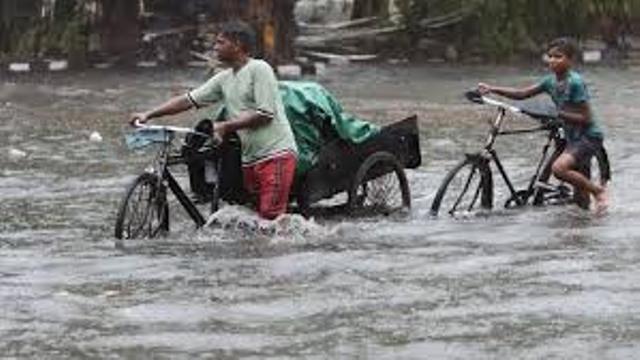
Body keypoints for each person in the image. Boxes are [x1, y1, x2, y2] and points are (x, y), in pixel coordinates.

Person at [130, 21, 298, 220]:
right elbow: (188, 100)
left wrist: (225, 126)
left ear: (237, 44)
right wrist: (148, 114)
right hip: (249, 157)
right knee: (254, 217)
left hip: (275, 153)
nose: (215, 48)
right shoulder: (224, 78)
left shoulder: (259, 69)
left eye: (220, 43)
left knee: (271, 217)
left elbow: (265, 114)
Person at [477, 37, 608, 213]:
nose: (553, 61)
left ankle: (597, 191)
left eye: (558, 57)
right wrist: (492, 89)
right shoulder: (550, 81)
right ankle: (582, 230)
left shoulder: (575, 83)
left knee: (559, 169)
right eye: (550, 56)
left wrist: (559, 114)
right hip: (570, 136)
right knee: (579, 198)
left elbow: (586, 118)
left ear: (570, 60)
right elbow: (522, 93)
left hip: (588, 136)